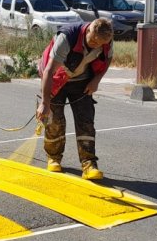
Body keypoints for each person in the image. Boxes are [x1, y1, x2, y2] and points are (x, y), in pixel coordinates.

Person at [36, 18, 115, 180]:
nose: (95, 44)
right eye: (92, 40)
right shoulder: (67, 37)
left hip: (82, 82)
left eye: (99, 43)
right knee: (54, 121)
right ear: (88, 30)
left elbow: (107, 60)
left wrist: (96, 80)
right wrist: (45, 103)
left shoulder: (106, 39)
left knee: (86, 121)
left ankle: (88, 163)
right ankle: (54, 158)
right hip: (56, 79)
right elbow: (49, 71)